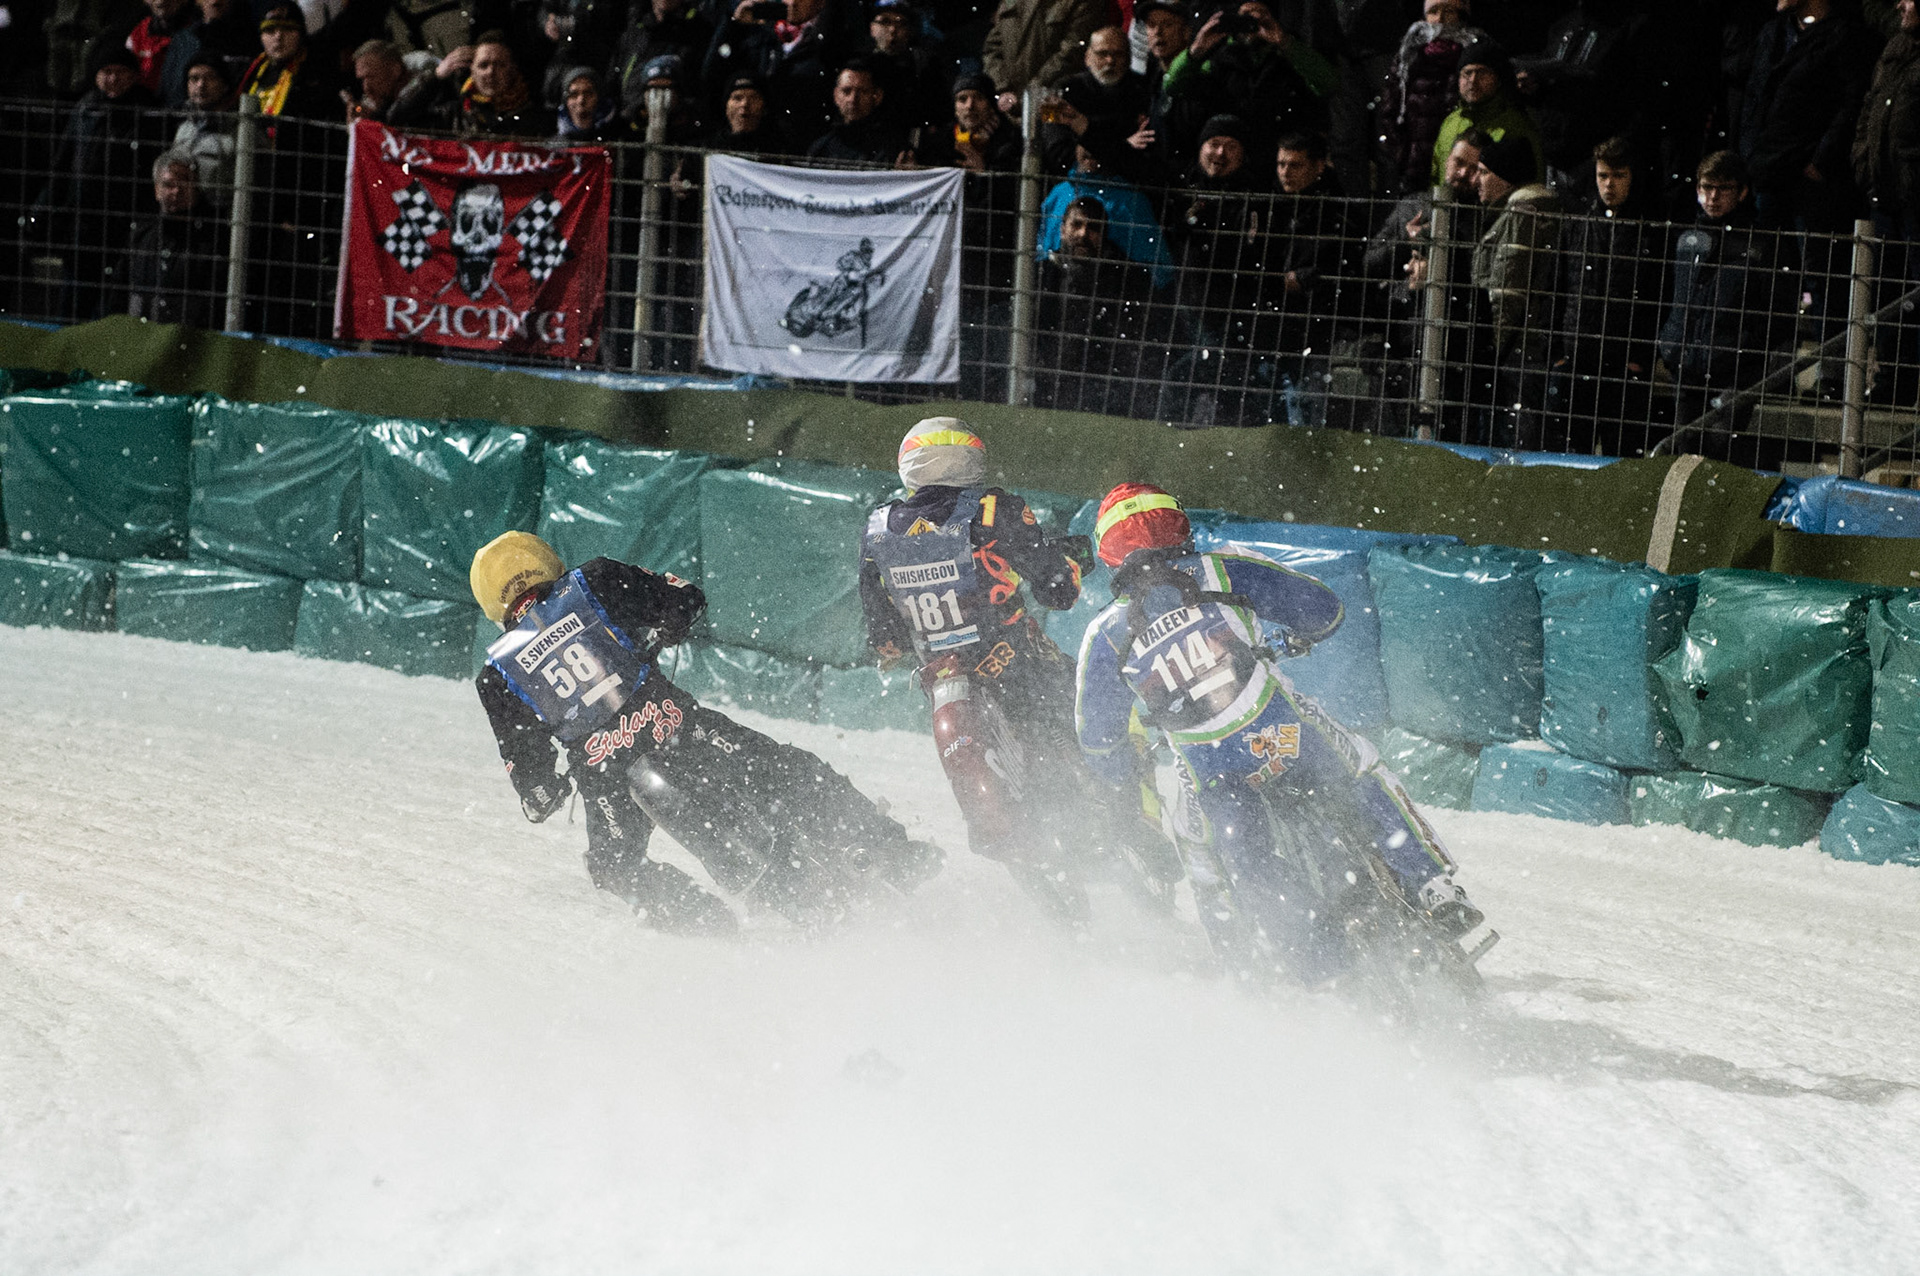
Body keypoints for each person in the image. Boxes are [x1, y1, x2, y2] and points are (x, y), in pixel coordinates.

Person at [1074, 483, 1487, 985]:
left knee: (1202, 847)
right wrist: (1301, 635)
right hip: (1288, 737)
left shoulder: (1105, 635)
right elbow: (1324, 609)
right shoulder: (1222, 569)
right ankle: (1430, 884)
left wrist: (1119, 765)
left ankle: (1247, 960)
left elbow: (1096, 737)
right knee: (1361, 765)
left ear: (1109, 552)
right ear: (1177, 525)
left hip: (1213, 779)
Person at [472, 531, 939, 936]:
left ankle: (710, 927)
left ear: (493, 601)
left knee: (615, 867)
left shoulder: (495, 674)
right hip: (675, 727)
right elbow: (684, 597)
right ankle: (889, 849)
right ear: (545, 561)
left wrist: (543, 790)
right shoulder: (593, 580)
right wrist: (671, 622)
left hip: (609, 781)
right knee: (786, 769)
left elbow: (526, 765)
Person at [858, 419, 1140, 924]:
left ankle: (1052, 861)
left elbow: (883, 634)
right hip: (1016, 665)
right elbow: (1059, 590)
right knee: (1093, 722)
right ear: (973, 463)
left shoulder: (877, 527)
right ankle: (1128, 817)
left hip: (943, 682)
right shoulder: (993, 510)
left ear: (910, 466)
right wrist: (1068, 565)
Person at [1656, 149, 1794, 466]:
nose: (1713, 197)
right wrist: (1669, 344)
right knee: (1681, 454)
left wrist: (1754, 354)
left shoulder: (1761, 244)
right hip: (1686, 365)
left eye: (1723, 188)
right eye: (1706, 187)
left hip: (1734, 370)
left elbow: (1778, 310)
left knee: (1719, 454)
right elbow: (1668, 296)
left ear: (1742, 192)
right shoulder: (1684, 238)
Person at [1554, 135, 1667, 455]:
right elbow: (1559, 287)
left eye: (1618, 176)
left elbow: (1657, 297)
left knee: (1623, 454)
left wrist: (1641, 358)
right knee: (1575, 451)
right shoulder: (1579, 225)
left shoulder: (1649, 229)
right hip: (1578, 356)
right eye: (1603, 176)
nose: (1609, 185)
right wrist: (1560, 353)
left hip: (1624, 361)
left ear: (1633, 177)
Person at [1467, 130, 1562, 449]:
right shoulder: (1525, 210)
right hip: (1524, 349)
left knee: (1512, 442)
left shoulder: (1522, 214)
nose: (1475, 180)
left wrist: (1489, 348)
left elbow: (1508, 290)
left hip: (1516, 351)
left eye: (1483, 172)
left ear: (1505, 178)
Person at [1034, 197, 1158, 414]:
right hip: (1049, 378)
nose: (1083, 234)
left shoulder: (1124, 277)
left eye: (1093, 228)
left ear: (1103, 235)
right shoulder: (1044, 274)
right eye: (1077, 225)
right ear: (1063, 230)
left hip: (1102, 385)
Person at [1854, 0, 1920, 404]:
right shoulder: (1895, 47)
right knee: (1886, 296)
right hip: (1886, 194)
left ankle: (1907, 385)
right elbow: (1870, 106)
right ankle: (1890, 383)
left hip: (1915, 200)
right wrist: (1863, 157)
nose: (1902, 4)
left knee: (1914, 295)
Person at [1378, 0, 1486, 195]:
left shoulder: (1474, 50)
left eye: (1448, 11)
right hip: (1414, 159)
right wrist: (1399, 150)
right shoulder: (1410, 51)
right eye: (1433, 11)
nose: (1440, 18)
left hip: (1457, 156)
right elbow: (1390, 105)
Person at [122, 150, 225, 327]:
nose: (176, 191)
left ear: (196, 188)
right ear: (157, 190)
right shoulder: (142, 235)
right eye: (169, 184)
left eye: (184, 183)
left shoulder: (213, 238)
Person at [1429, 36, 1540, 187]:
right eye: (1467, 73)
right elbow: (1436, 174)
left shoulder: (1516, 126)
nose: (1473, 80)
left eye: (1482, 73)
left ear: (1497, 79)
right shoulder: (1451, 121)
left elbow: (1532, 184)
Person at [980, 0, 1104, 108]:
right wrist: (1003, 88)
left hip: (1057, 105)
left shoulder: (1079, 2)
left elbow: (1072, 52)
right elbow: (992, 47)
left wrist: (1032, 91)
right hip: (1012, 108)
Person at [807, 60, 908, 161]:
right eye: (846, 91)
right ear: (836, 95)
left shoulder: (895, 150)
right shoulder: (821, 149)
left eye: (863, 92)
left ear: (877, 96)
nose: (853, 99)